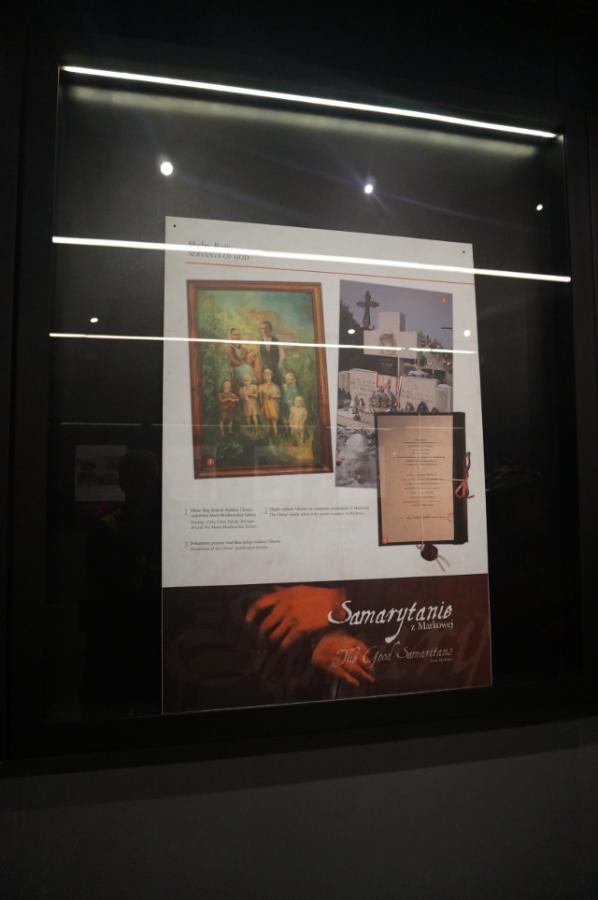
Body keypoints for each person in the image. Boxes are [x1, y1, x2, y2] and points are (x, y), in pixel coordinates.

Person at [258, 368, 281, 435]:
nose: (267, 377)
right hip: (265, 405)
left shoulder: (275, 386)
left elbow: (279, 395)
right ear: (263, 376)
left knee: (274, 421)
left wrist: (274, 396)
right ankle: (267, 435)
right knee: (267, 420)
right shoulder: (261, 386)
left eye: (268, 375)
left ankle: (275, 435)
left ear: (271, 376)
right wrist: (261, 404)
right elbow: (260, 397)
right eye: (265, 375)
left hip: (273, 405)